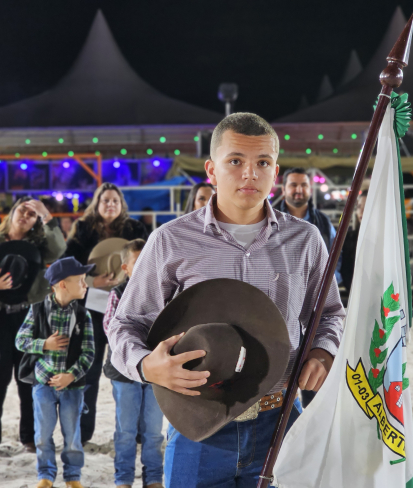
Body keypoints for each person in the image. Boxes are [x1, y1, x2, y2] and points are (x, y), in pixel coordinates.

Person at [107, 112, 345, 487]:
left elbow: (329, 314)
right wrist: (145, 365)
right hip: (197, 422)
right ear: (211, 170)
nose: (250, 174)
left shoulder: (305, 240)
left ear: (275, 172)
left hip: (281, 421)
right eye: (235, 161)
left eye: (262, 163)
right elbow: (127, 322)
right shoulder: (170, 240)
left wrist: (323, 350)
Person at [0, 196, 66, 454]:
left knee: (29, 378)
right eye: (22, 211)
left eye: (32, 215)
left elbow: (58, 249)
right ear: (12, 212)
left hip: (28, 316)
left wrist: (47, 215)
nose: (25, 216)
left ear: (35, 222)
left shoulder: (39, 245)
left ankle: (29, 438)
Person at [65, 182, 147, 443]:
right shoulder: (82, 230)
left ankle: (137, 433)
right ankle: (82, 433)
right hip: (90, 308)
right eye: (105, 200)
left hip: (129, 307)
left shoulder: (135, 230)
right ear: (97, 204)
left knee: (132, 367)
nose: (110, 205)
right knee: (87, 371)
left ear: (121, 204)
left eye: (115, 200)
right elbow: (66, 265)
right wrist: (91, 281)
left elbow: (149, 262)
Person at [15, 257, 95, 488]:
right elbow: (20, 340)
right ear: (62, 284)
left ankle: (73, 477)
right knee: (42, 434)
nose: (85, 285)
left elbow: (89, 353)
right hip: (43, 384)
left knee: (72, 436)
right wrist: (44, 344)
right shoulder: (37, 310)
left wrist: (71, 375)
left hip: (73, 386)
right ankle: (46, 475)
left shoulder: (84, 315)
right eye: (80, 280)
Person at [273, 167, 341, 408]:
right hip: (283, 304)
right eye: (293, 185)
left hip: (314, 302)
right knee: (282, 376)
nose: (299, 190)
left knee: (314, 376)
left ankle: (312, 415)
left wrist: (329, 284)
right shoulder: (269, 219)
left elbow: (335, 257)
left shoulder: (322, 222)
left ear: (310, 189)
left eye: (303, 185)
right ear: (283, 189)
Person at [102, 239, 163, 488]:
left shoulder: (163, 291)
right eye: (138, 262)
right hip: (124, 373)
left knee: (154, 430)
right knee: (125, 430)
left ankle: (154, 478)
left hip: (157, 373)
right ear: (125, 268)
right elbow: (111, 329)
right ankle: (123, 479)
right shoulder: (117, 294)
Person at [340, 190, 367, 294]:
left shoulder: (387, 240)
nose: (361, 211)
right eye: (359, 207)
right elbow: (346, 270)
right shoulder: (349, 238)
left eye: (366, 206)